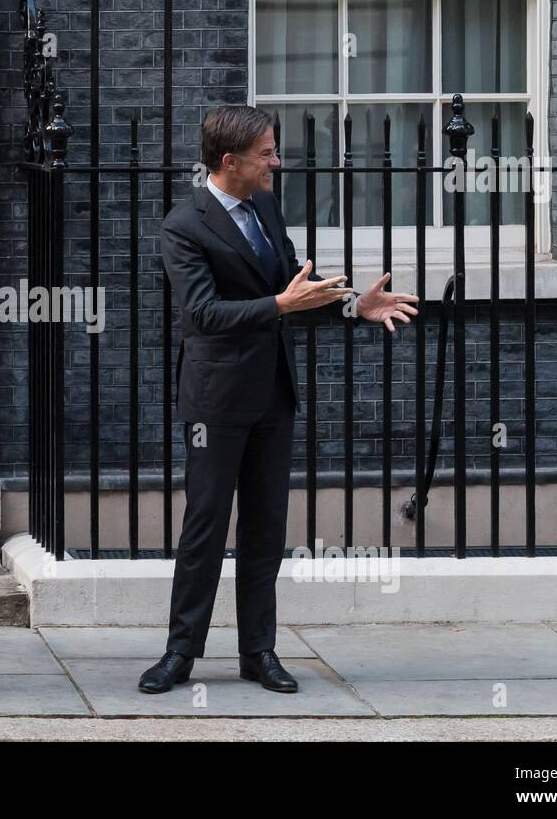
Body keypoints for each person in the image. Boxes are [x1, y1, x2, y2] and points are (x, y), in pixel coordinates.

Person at [140, 106, 419, 694]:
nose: (277, 161)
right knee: (205, 527)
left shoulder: (264, 206)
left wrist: (352, 306)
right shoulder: (184, 224)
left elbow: (293, 284)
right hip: (215, 402)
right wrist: (280, 306)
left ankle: (258, 651)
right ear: (229, 162)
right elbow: (202, 315)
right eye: (267, 153)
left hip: (272, 393)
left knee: (266, 529)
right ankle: (180, 653)